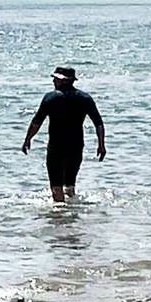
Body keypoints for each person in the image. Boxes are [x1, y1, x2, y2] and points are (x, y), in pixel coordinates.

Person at [22, 66, 106, 202]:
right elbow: (99, 123)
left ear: (64, 81)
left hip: (56, 147)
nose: (53, 81)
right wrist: (101, 145)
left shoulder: (50, 98)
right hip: (76, 146)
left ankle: (60, 218)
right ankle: (71, 217)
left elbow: (36, 122)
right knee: (70, 185)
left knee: (56, 187)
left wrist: (27, 139)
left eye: (56, 79)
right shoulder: (85, 98)